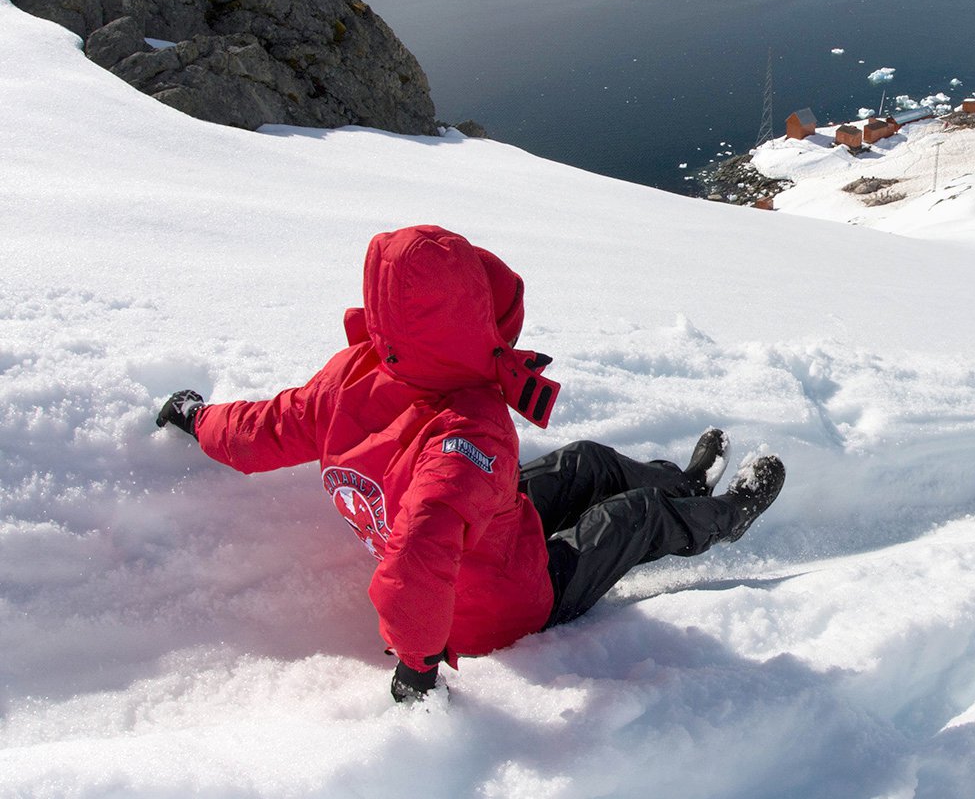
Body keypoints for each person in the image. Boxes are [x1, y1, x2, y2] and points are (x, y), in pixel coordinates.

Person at [153, 225, 785, 704]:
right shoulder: (468, 431)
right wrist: (418, 665)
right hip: (505, 603)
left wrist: (197, 418)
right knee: (635, 518)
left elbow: (260, 429)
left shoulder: (358, 372)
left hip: (487, 534)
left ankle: (687, 484)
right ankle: (724, 518)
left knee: (589, 461)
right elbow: (422, 550)